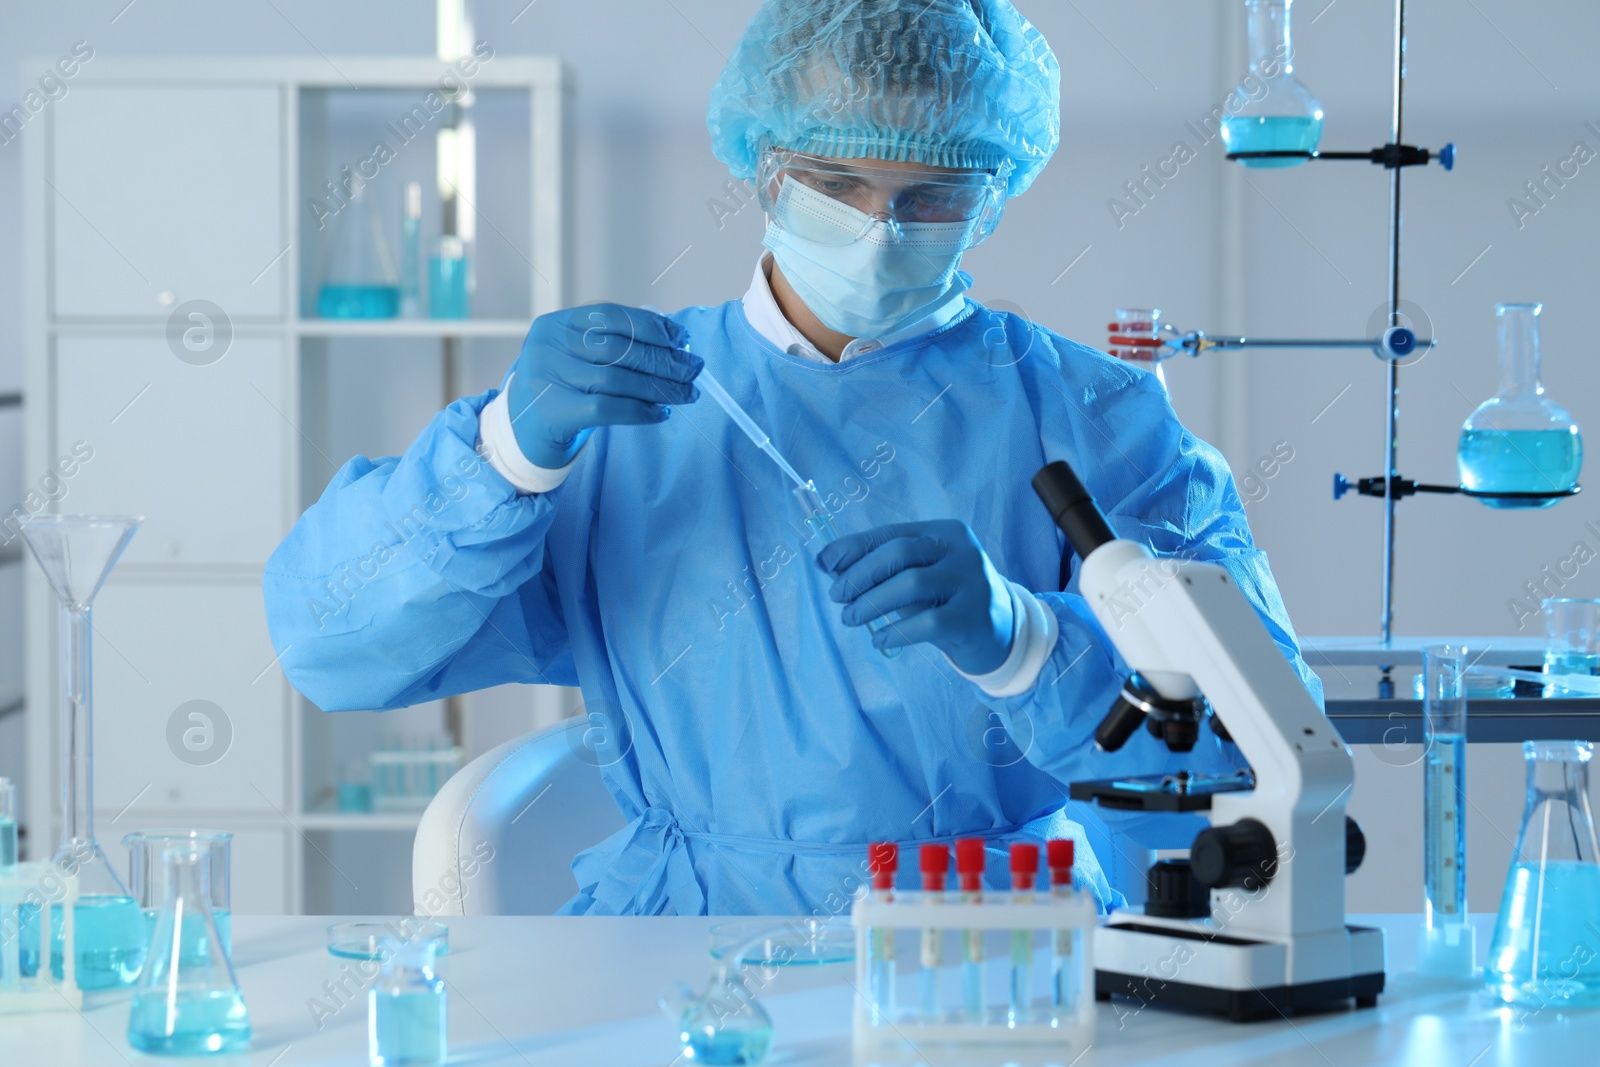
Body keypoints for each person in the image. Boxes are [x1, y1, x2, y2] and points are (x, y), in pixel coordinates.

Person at [264, 0, 1323, 915]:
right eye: (835, 181)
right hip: (682, 955)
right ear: (764, 167)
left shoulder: (1096, 415)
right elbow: (330, 647)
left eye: (932, 195)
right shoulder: (627, 406)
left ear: (994, 193)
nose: (877, 226)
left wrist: (1028, 644)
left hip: (994, 956)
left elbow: (1259, 773)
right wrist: (502, 453)